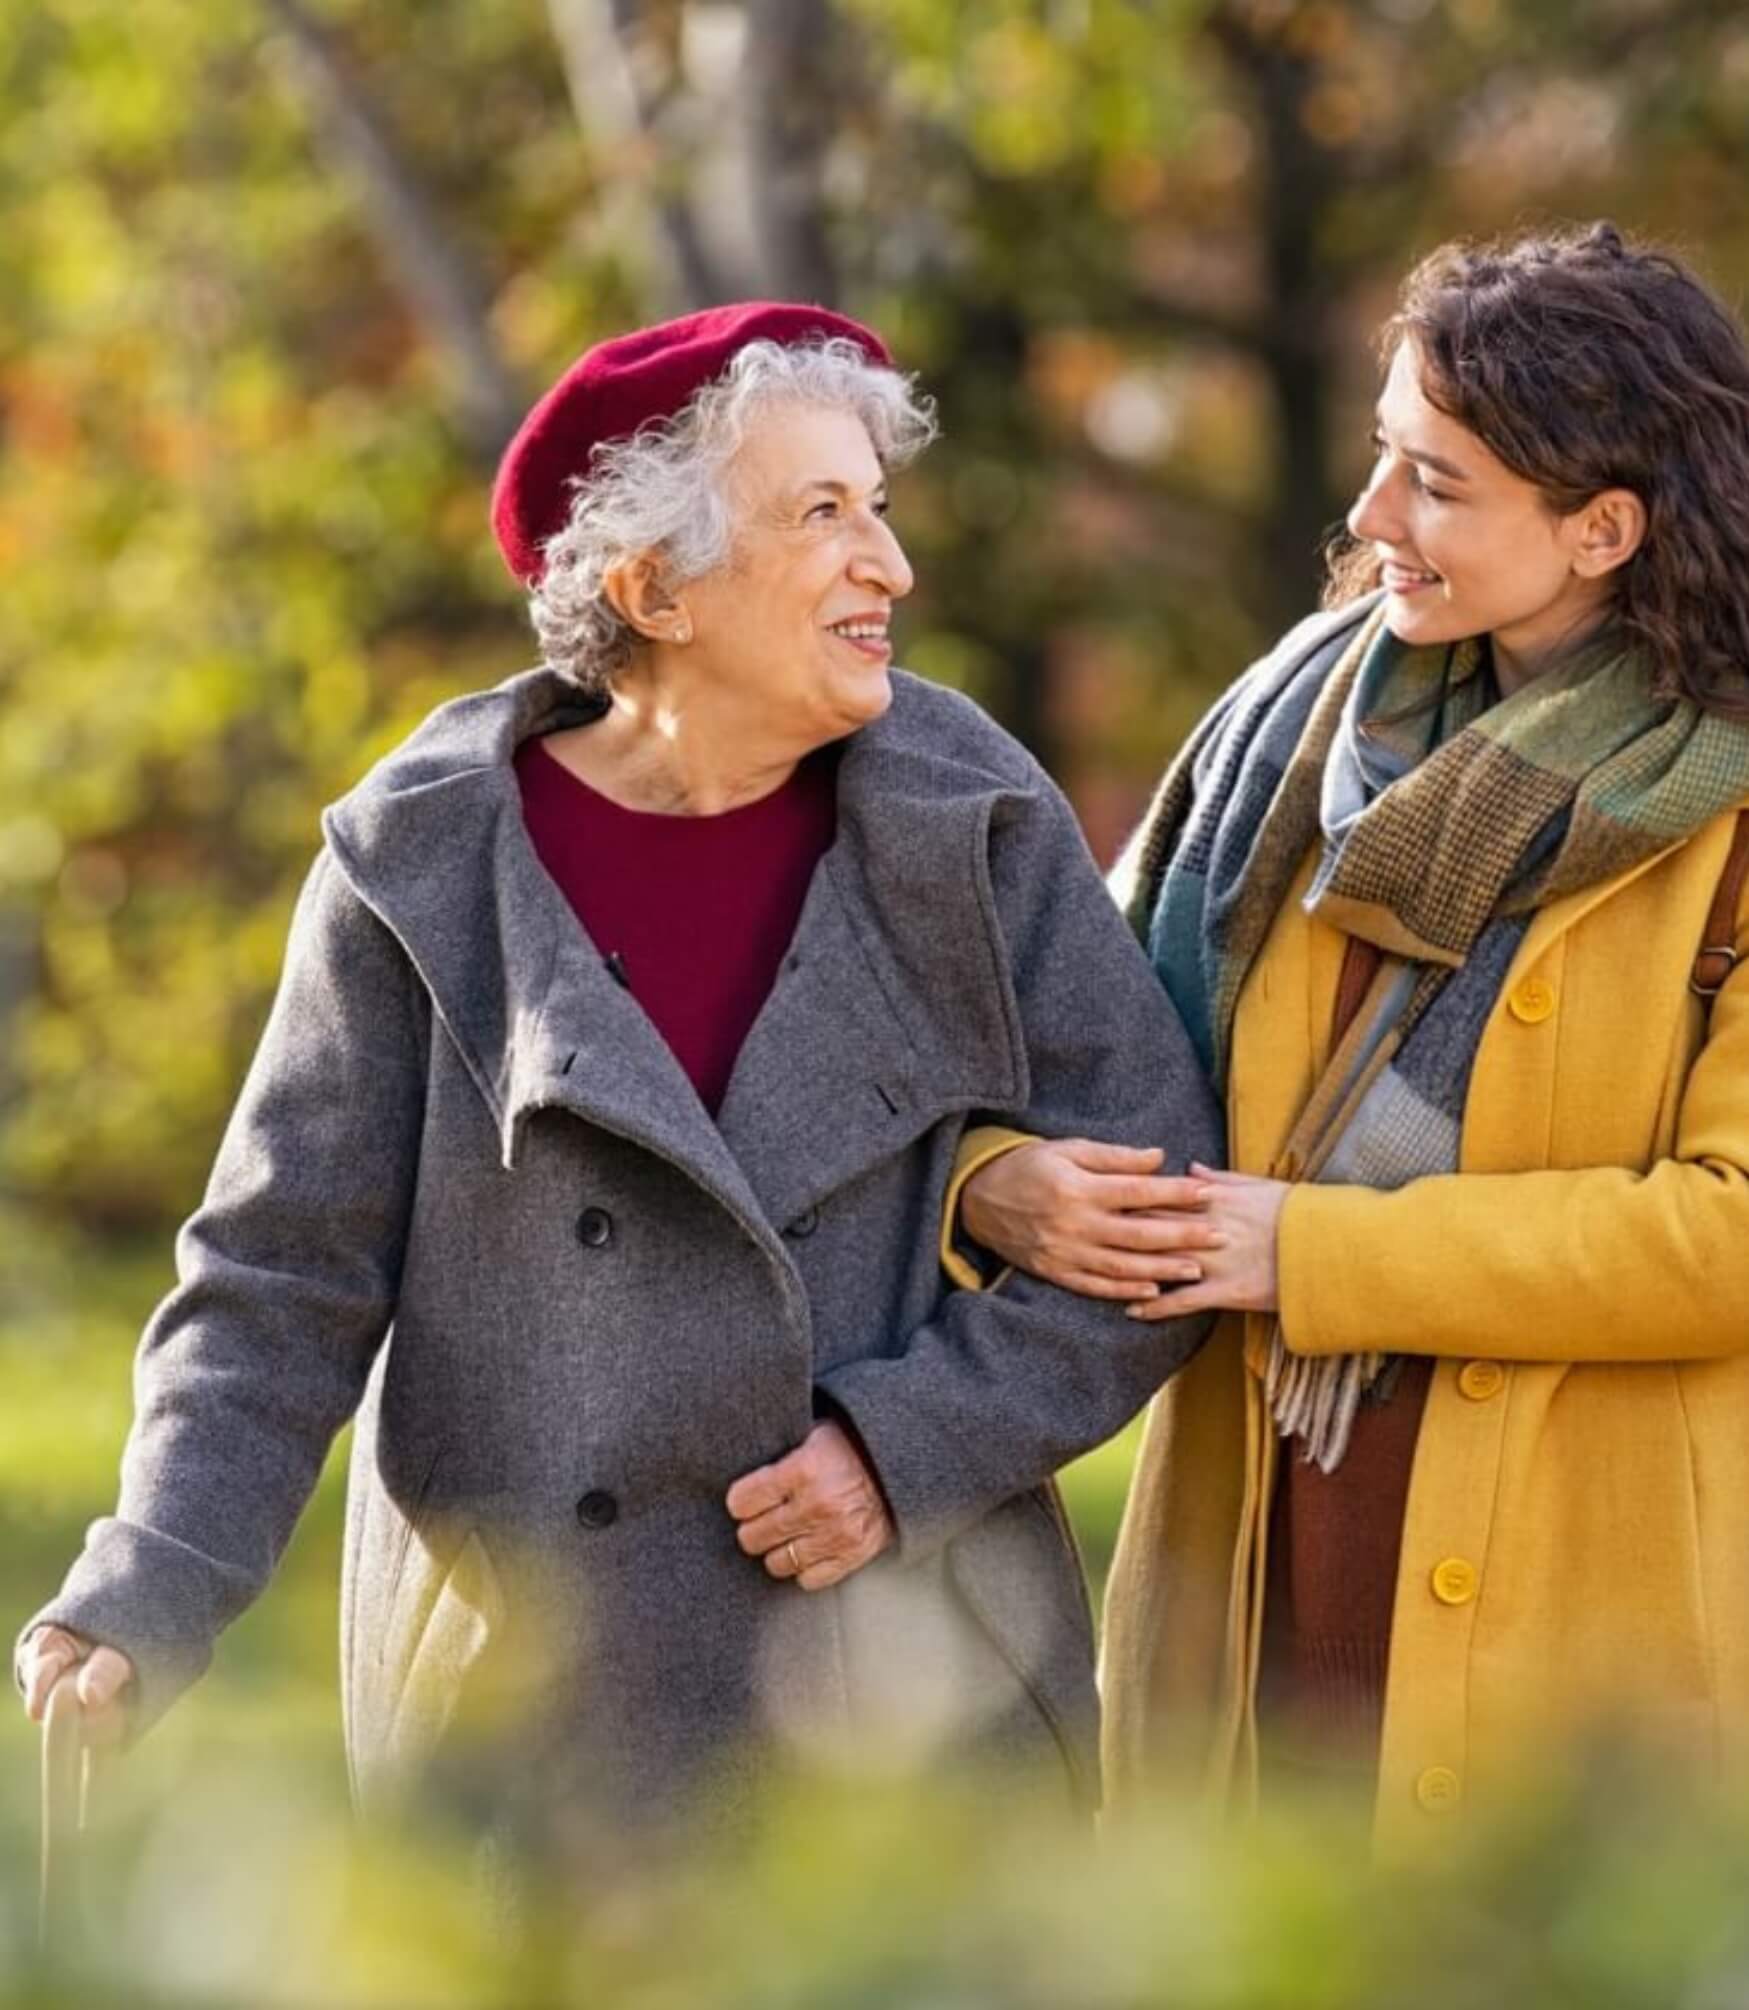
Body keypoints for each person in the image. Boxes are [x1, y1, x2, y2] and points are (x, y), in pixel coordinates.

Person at [15, 303, 1218, 1861]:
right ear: (652, 587)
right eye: (822, 514)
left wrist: (906, 1443)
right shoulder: (424, 861)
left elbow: (1161, 1211)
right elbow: (278, 1275)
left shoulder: (969, 814)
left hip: (909, 1700)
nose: (889, 566)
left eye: (878, 506)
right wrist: (149, 1580)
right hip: (534, 1708)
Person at [951, 224, 1749, 1847]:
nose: (1371, 518)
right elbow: (1076, 1045)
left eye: (1437, 485)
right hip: (1254, 1557)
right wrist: (993, 1175)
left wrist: (1312, 1254)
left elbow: (1727, 1229)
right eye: (1383, 457)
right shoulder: (1288, 746)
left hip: (1583, 1620)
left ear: (1602, 527)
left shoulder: (1726, 817)